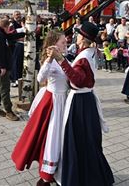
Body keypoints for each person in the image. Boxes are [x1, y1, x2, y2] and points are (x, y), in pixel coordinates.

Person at [48, 22, 114, 186]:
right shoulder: (89, 52)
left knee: (75, 140)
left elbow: (77, 80)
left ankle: (78, 178)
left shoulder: (84, 56)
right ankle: (92, 175)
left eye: (78, 34)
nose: (75, 36)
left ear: (83, 39)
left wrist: (61, 60)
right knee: (88, 140)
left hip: (80, 102)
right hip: (86, 101)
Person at [11, 31, 69, 186]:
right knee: (52, 136)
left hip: (64, 101)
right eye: (63, 42)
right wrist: (50, 58)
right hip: (53, 102)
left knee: (62, 137)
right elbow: (40, 78)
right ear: (54, 44)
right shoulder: (50, 61)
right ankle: (46, 175)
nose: (66, 44)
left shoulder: (64, 58)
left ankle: (59, 171)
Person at [0, 18, 23, 121]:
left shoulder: (0, 32)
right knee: (4, 89)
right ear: (6, 27)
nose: (10, 30)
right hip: (0, 67)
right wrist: (2, 67)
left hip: (0, 66)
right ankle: (9, 111)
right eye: (9, 28)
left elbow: (10, 36)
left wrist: (24, 33)